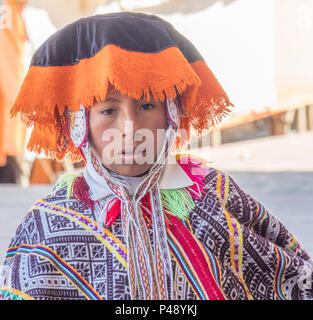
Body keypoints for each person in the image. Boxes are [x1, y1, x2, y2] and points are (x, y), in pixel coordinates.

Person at [1, 12, 312, 300]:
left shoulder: (214, 196)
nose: (130, 128)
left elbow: (295, 281)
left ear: (171, 115)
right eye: (108, 110)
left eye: (147, 106)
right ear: (79, 124)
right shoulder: (47, 226)